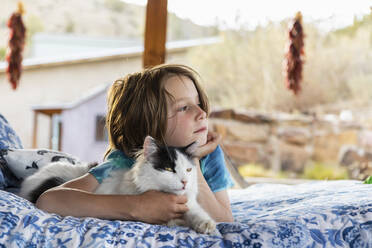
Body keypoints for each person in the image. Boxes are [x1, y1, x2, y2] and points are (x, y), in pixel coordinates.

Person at [36, 64, 234, 224]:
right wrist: (136, 206)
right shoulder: (125, 161)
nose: (202, 113)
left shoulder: (210, 155)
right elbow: (49, 200)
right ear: (147, 123)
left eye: (199, 103)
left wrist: (194, 161)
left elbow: (224, 220)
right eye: (183, 107)